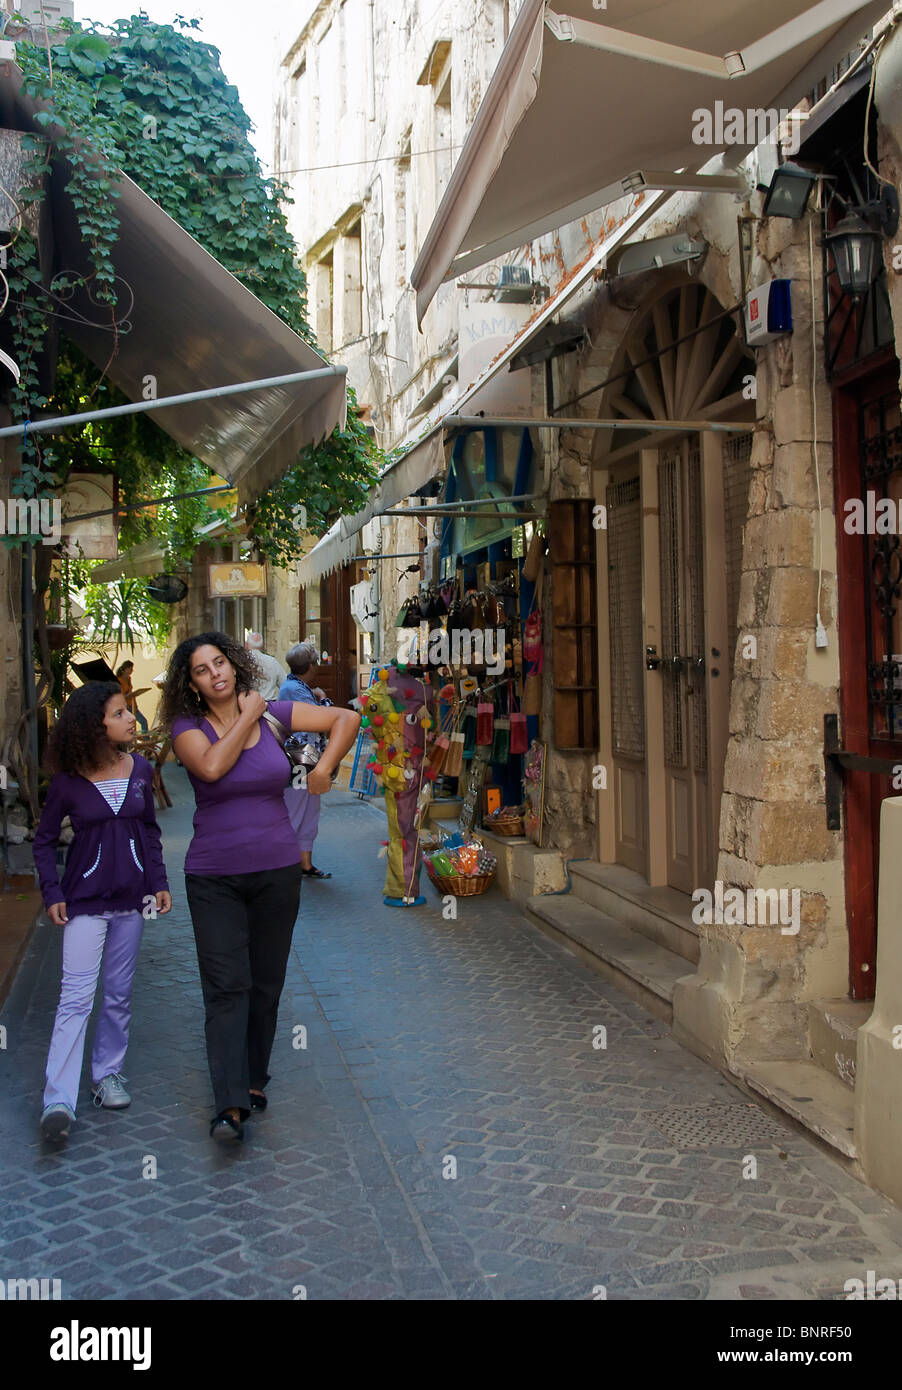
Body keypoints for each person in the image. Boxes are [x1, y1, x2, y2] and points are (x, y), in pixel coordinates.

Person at [160, 631, 360, 1144]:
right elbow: (210, 767)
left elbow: (347, 718)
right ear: (193, 683)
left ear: (235, 665)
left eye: (220, 663)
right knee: (227, 985)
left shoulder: (274, 712)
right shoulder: (188, 728)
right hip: (213, 876)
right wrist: (248, 716)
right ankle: (228, 1104)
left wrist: (325, 766)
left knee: (265, 982)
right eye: (202, 670)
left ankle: (252, 1080)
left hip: (276, 870)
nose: (216, 674)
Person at [32, 683, 172, 1145]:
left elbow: (149, 833)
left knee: (117, 995)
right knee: (76, 997)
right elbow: (44, 839)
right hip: (83, 906)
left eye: (128, 711)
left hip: (132, 904)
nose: (132, 718)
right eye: (120, 713)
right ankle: (58, 1098)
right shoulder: (70, 782)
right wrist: (52, 891)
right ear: (96, 725)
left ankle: (107, 1075)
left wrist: (159, 883)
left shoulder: (139, 770)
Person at [280, 642, 333, 879]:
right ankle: (286, 864)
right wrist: (323, 697)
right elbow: (325, 717)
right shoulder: (295, 689)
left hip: (305, 754)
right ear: (311, 666)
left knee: (309, 808)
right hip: (300, 755)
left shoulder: (295, 686)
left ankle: (305, 864)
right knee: (297, 809)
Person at [245, 632, 287, 701]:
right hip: (270, 706)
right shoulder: (272, 661)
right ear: (263, 646)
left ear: (246, 645)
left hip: (248, 706)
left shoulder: (242, 662)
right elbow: (285, 685)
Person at [116, 660, 148, 732]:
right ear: (125, 669)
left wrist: (135, 704)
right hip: (124, 706)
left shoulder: (129, 679)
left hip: (131, 705)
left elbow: (131, 692)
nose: (132, 670)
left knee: (143, 721)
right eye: (130, 668)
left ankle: (146, 740)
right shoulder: (119, 680)